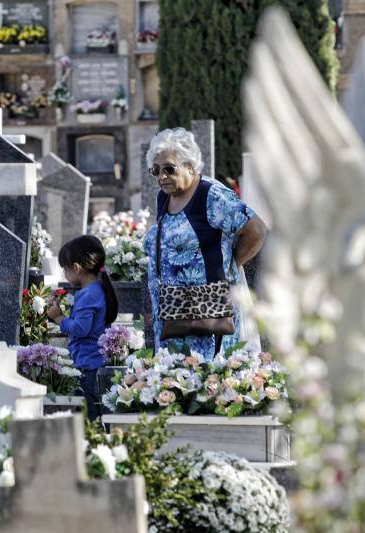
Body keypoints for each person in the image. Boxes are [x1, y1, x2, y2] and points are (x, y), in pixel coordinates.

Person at [142, 128, 267, 360]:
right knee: (174, 380)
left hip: (207, 311)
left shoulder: (211, 195)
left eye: (169, 168)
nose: (162, 177)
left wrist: (231, 264)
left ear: (190, 166)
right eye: (156, 170)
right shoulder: (165, 196)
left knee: (205, 380)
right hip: (171, 311)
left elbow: (256, 231)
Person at [46, 235, 118, 421]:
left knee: (90, 414)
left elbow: (80, 329)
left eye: (65, 269)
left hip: (88, 364)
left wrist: (58, 317)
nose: (64, 274)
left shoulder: (88, 294)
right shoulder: (95, 289)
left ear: (76, 268)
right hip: (91, 361)